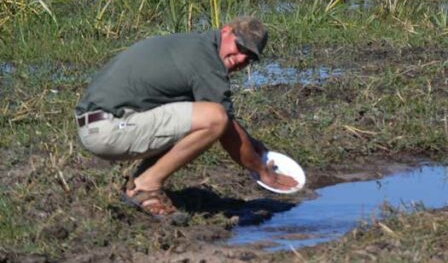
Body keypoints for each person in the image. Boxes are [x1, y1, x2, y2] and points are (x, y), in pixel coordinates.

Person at [75, 16, 298, 218]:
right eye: (239, 48)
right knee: (214, 118)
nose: (240, 59)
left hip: (104, 123)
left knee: (199, 113)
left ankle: (139, 187)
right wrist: (263, 171)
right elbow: (225, 128)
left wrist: (251, 143)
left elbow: (219, 123)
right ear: (226, 32)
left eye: (248, 57)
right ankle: (147, 184)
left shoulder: (197, 46)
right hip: (108, 128)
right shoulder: (206, 60)